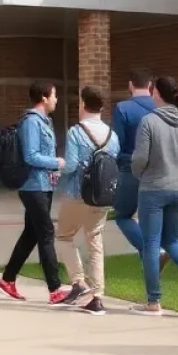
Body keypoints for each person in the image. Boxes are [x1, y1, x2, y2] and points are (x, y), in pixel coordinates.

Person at [131, 77, 178, 316]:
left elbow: (140, 158)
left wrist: (138, 173)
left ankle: (153, 301)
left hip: (153, 188)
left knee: (151, 243)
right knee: (172, 240)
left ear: (156, 94)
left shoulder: (149, 121)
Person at [0, 82, 71, 305]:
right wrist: (56, 162)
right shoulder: (31, 122)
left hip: (44, 185)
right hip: (32, 186)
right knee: (46, 232)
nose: (56, 99)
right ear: (44, 98)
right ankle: (55, 289)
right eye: (54, 95)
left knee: (31, 233)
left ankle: (7, 280)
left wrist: (53, 170)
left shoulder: (45, 121)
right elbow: (31, 156)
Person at [55, 86, 120, 316]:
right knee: (95, 240)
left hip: (77, 193)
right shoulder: (112, 135)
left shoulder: (76, 131)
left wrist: (58, 167)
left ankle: (78, 281)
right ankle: (98, 296)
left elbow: (71, 165)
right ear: (102, 107)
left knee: (64, 237)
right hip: (102, 196)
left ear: (83, 104)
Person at [111, 70, 164, 270]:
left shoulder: (123, 108)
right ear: (150, 85)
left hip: (130, 169)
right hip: (159, 170)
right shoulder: (161, 108)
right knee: (150, 222)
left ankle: (153, 251)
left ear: (130, 85)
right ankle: (152, 279)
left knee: (123, 215)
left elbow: (117, 142)